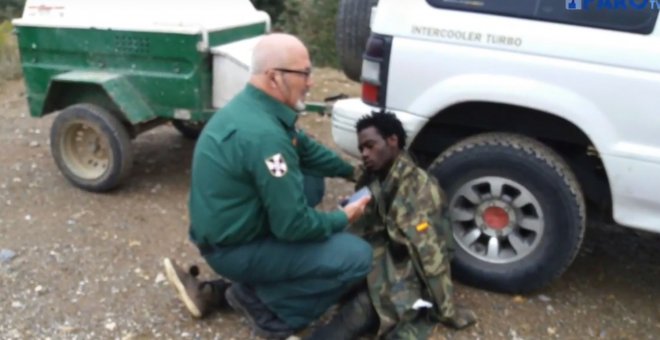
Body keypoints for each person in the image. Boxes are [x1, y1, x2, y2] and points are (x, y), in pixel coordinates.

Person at [162, 33, 372, 339]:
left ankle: (246, 286)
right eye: (304, 73)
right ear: (274, 77)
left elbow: (305, 149)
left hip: (232, 229)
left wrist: (355, 172)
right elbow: (294, 227)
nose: (310, 82)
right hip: (233, 249)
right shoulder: (265, 137)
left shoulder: (256, 108)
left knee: (311, 180)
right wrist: (343, 217)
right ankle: (268, 310)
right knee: (356, 256)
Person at [306, 111, 477, 339]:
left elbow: (429, 256)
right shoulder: (378, 173)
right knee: (326, 278)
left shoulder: (417, 190)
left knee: (365, 306)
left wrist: (445, 309)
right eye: (361, 149)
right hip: (379, 251)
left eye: (370, 146)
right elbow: (366, 212)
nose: (365, 154)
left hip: (406, 265)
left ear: (392, 141)